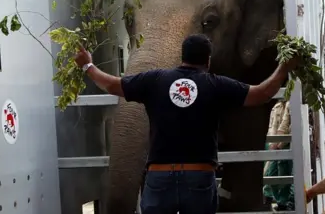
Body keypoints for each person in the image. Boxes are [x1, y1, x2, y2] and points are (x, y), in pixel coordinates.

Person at [74, 34, 299, 214]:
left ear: (181, 56)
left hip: (159, 177)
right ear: (208, 60)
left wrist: (88, 66)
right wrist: (284, 67)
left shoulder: (155, 79)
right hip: (198, 177)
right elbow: (262, 94)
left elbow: (113, 85)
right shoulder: (216, 84)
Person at [263, 100, 294, 211]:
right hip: (274, 144)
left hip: (285, 144)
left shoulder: (291, 104)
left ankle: (283, 202)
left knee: (284, 173)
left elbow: (286, 126)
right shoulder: (276, 105)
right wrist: (272, 143)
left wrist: (279, 144)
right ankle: (273, 198)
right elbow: (272, 127)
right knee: (270, 173)